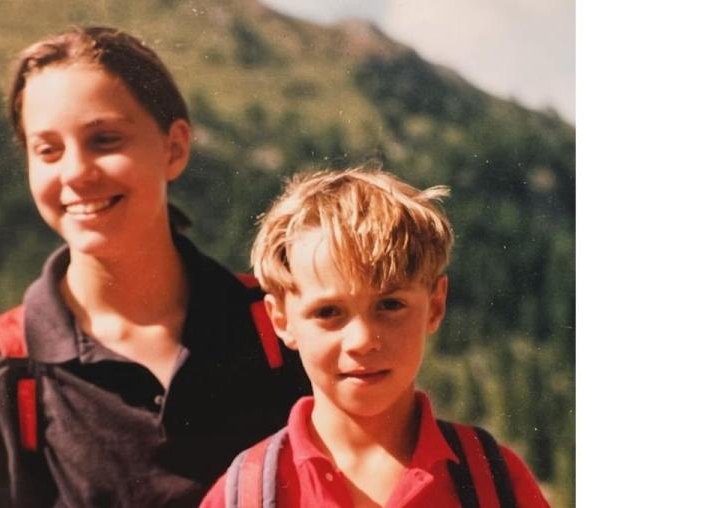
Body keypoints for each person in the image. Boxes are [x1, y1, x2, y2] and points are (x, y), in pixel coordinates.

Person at [0, 26, 309, 508]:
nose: (76, 172)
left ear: (175, 147)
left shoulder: (287, 330)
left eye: (104, 139)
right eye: (48, 150)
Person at [200, 168, 550, 507]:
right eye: (328, 312)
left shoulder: (495, 483)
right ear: (281, 319)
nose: (362, 340)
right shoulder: (244, 496)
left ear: (435, 305)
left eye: (390, 304)